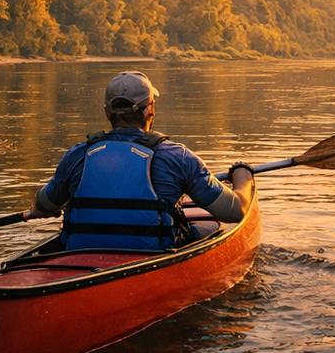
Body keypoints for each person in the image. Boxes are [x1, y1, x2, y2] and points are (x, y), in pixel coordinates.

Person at [26, 71, 254, 250]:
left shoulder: (76, 155)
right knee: (212, 227)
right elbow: (234, 212)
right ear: (150, 109)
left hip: (79, 255)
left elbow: (45, 204)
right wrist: (243, 175)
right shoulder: (178, 157)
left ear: (107, 112)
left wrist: (39, 209)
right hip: (151, 255)